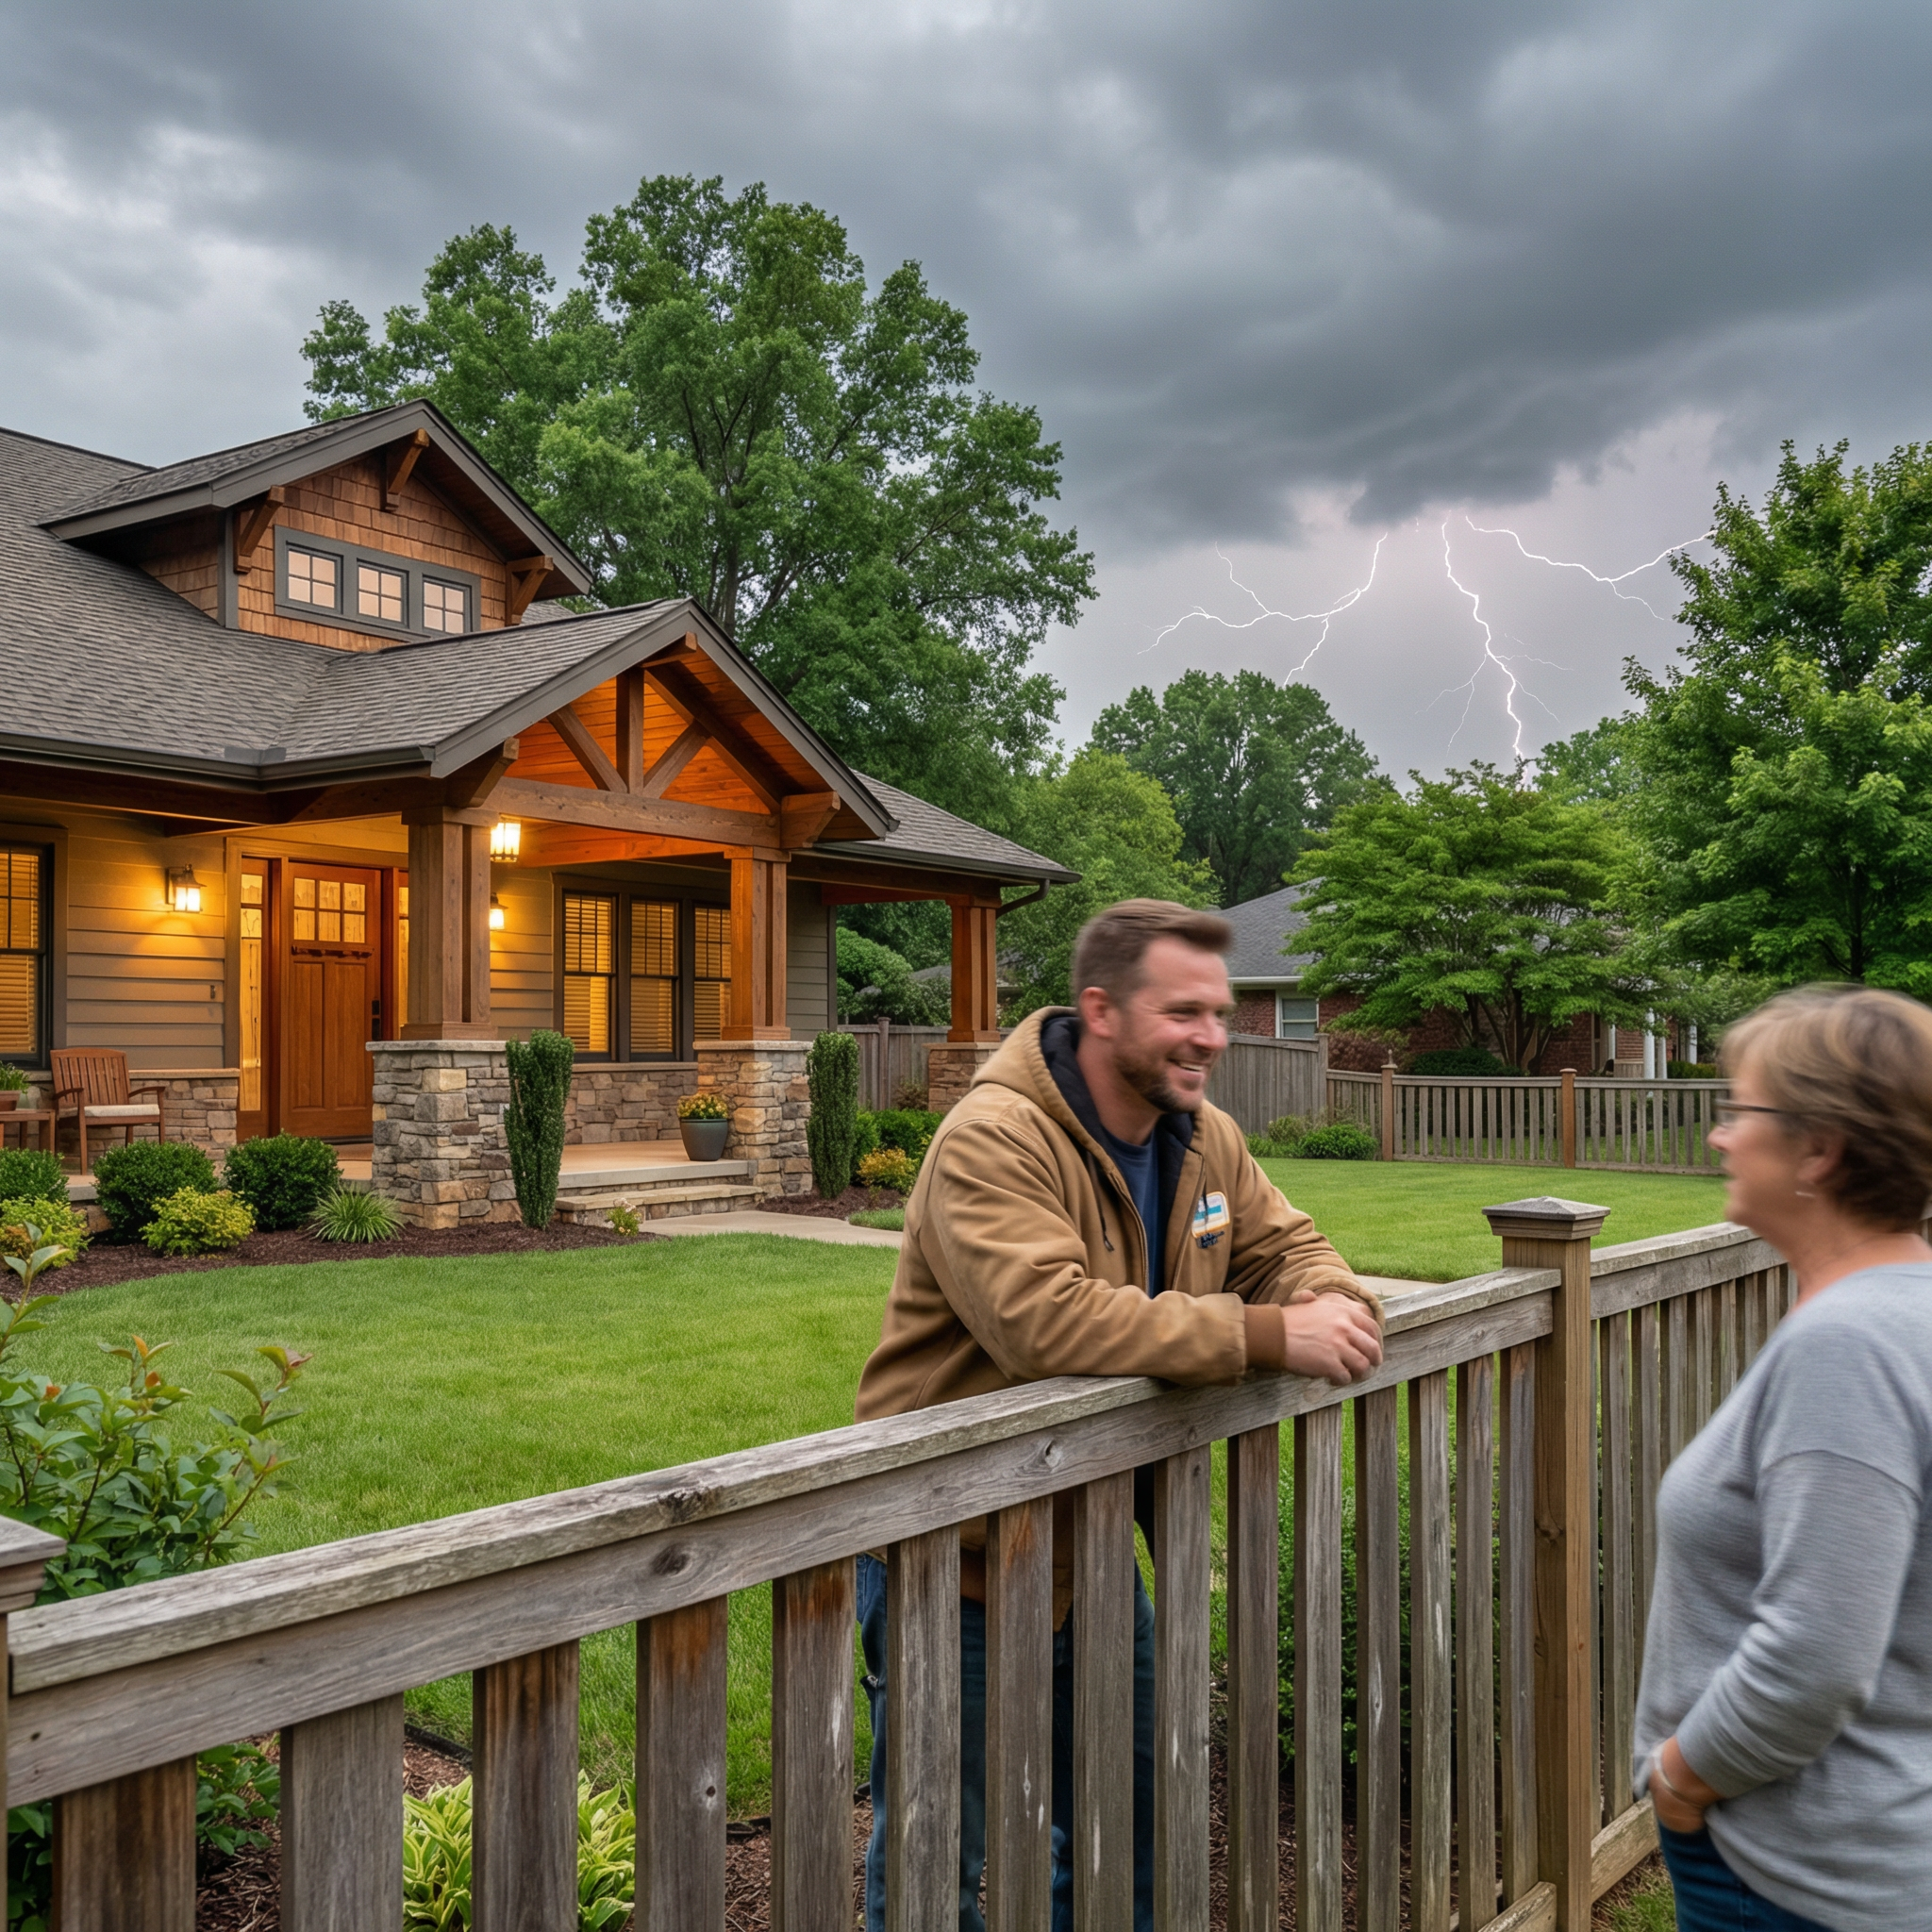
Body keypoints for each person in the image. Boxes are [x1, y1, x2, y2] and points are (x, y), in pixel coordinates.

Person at [853, 899, 1385, 1932]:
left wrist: (1333, 1298)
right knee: (935, 1858)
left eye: (1220, 1012)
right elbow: (1046, 1322)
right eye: (1183, 1010)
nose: (1212, 1036)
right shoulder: (992, 1138)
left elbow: (1292, 1247)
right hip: (950, 1553)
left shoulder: (1202, 1138)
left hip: (1093, 1543)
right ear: (1099, 1008)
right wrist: (1271, 1337)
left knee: (1127, 1817)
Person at [1633, 984, 1932, 1932]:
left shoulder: (1847, 1343)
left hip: (1797, 1874)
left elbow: (1814, 1654)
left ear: (1817, 1147)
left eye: (1737, 1110)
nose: (1717, 1136)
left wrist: (1681, 1778)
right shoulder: (1905, 1305)